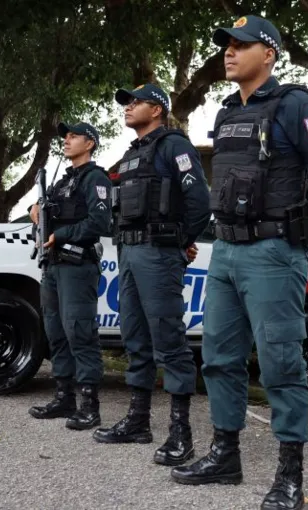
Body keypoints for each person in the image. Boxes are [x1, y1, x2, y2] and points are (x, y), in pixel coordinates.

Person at [170, 15, 308, 510]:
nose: (229, 52)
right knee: (219, 358)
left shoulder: (297, 106)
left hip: (273, 253)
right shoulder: (228, 113)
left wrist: (297, 230)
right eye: (226, 45)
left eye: (240, 45)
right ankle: (225, 455)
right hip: (225, 251)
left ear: (268, 53)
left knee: (280, 364)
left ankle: (289, 474)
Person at [92, 83, 211, 468]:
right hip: (128, 252)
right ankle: (138, 421)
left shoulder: (173, 145)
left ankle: (181, 434)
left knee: (169, 341)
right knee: (136, 338)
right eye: (125, 102)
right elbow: (100, 190)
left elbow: (199, 201)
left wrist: (180, 242)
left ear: (157, 109)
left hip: (158, 253)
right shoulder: (130, 155)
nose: (127, 107)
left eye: (135, 102)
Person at [28, 121, 112, 431]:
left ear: (89, 143)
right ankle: (64, 398)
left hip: (77, 266)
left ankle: (90, 406)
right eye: (66, 135)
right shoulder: (62, 182)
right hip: (53, 266)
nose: (67, 140)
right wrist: (34, 209)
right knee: (56, 332)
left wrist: (62, 234)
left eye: (74, 136)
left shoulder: (96, 179)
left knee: (80, 333)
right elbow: (44, 208)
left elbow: (100, 223)